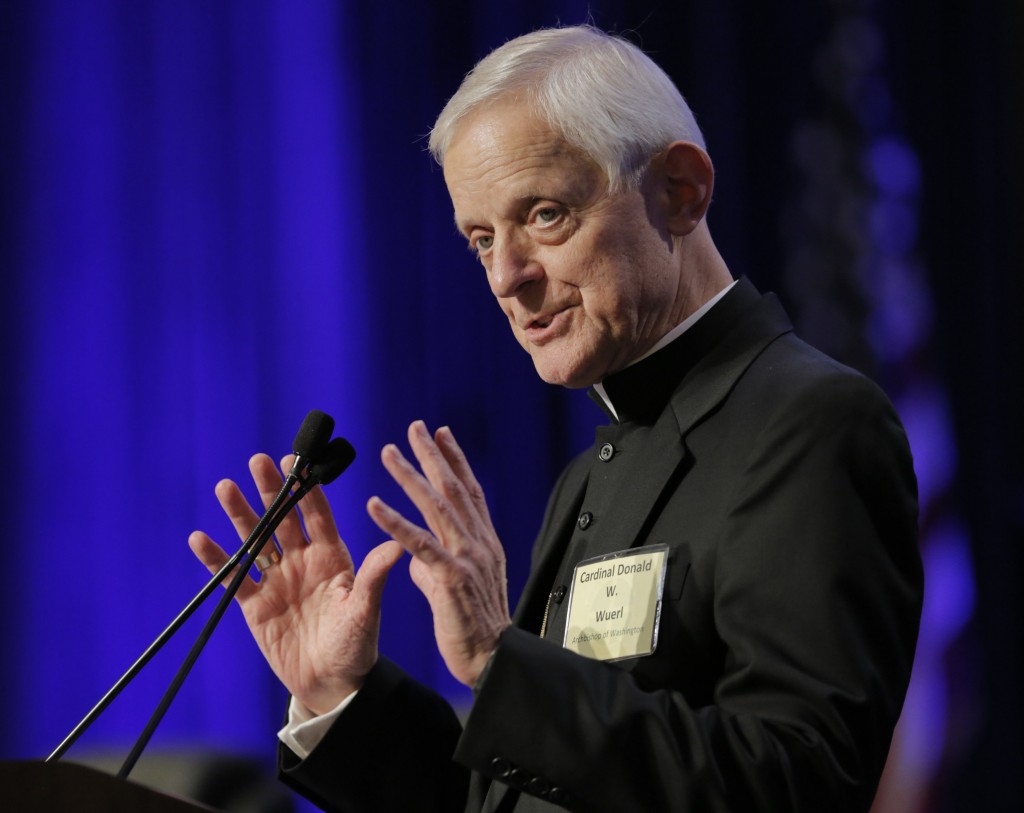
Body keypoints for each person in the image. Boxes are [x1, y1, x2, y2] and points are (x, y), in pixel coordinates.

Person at [189, 25, 923, 813]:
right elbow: (510, 797)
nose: (507, 277)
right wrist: (343, 694)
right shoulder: (587, 475)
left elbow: (792, 782)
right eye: (480, 240)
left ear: (680, 190)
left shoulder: (811, 425)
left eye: (543, 214)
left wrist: (503, 665)